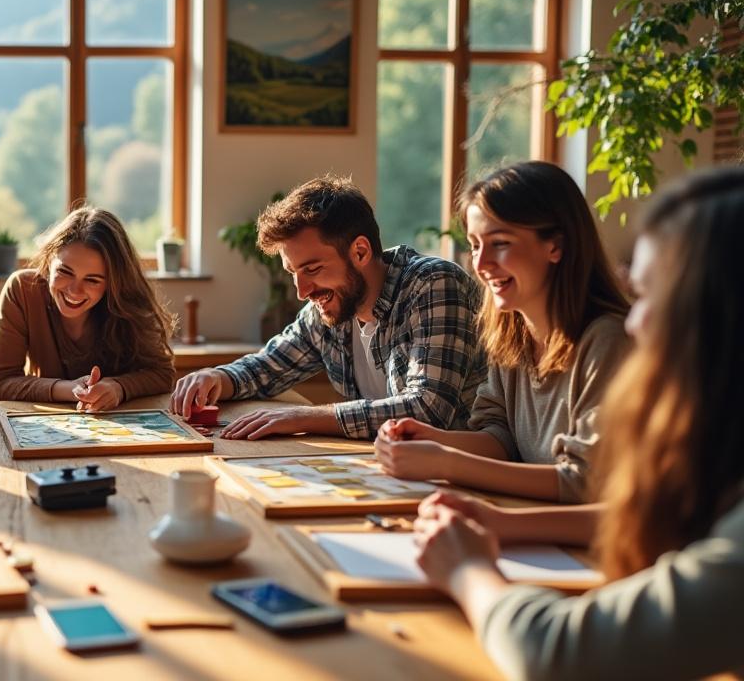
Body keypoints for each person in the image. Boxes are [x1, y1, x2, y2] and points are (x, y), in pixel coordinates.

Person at [414, 167, 744, 680]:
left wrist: (468, 569)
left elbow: (557, 653)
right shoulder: (717, 466)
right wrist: (492, 515)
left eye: (655, 296)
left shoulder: (605, 338)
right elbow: (631, 510)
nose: (635, 320)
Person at [375, 162, 629, 502]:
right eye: (476, 245)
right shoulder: (513, 335)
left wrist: (447, 463)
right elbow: (500, 438)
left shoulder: (607, 341)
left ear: (555, 246)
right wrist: (431, 439)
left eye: (500, 243)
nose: (480, 265)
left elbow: (584, 482)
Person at [170, 176, 486, 440]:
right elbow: (268, 367)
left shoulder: (433, 284)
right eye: (293, 272)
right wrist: (216, 377)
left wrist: (304, 417)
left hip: (469, 484)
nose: (302, 291)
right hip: (393, 470)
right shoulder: (332, 307)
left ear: (360, 252)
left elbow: (427, 411)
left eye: (312, 269)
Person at [0, 207, 175, 411]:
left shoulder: (128, 299)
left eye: (92, 280)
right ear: (49, 261)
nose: (75, 291)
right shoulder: (22, 290)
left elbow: (162, 374)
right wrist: (69, 389)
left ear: (113, 283)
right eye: (65, 272)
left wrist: (119, 387)